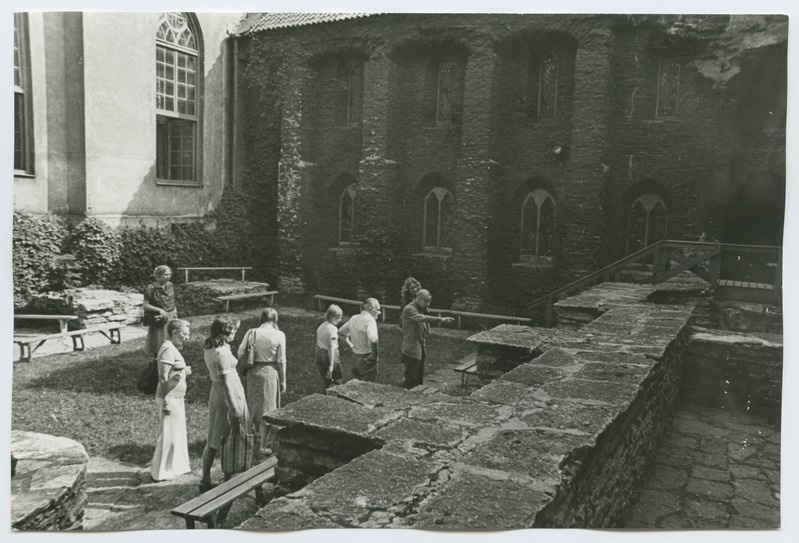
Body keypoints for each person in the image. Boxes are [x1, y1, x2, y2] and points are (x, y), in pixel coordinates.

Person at [200, 314, 250, 492]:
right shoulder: (221, 353)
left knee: (215, 436)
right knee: (227, 436)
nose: (235, 333)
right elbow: (226, 383)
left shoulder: (211, 345)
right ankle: (227, 478)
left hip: (218, 393)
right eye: (234, 330)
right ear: (224, 332)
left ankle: (206, 477)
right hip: (226, 396)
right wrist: (235, 408)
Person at [238, 308, 285, 458]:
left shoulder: (251, 332)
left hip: (253, 371)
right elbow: (281, 360)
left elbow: (240, 352)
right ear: (275, 320)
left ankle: (252, 436)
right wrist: (283, 380)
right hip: (270, 371)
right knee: (267, 408)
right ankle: (263, 445)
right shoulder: (279, 335)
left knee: (253, 404)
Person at [150, 319, 192, 481]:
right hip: (170, 397)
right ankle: (160, 472)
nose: (187, 337)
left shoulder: (172, 348)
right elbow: (163, 376)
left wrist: (184, 372)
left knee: (176, 434)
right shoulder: (168, 349)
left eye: (188, 334)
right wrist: (167, 399)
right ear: (174, 333)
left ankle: (174, 467)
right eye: (184, 334)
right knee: (169, 436)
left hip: (177, 397)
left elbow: (174, 370)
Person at [400, 289, 454, 389]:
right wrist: (441, 319)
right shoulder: (409, 309)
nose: (428, 304)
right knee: (410, 380)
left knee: (419, 379)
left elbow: (425, 326)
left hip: (419, 349)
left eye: (429, 301)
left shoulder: (419, 309)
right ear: (418, 298)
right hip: (411, 349)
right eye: (426, 301)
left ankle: (417, 398)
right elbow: (423, 318)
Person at [338, 298, 381, 382]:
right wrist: (374, 355)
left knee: (357, 386)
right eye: (378, 310)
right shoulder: (370, 321)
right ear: (370, 309)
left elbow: (340, 333)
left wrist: (351, 346)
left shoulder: (354, 318)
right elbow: (373, 340)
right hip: (366, 358)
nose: (379, 313)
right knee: (367, 388)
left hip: (355, 358)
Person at [142, 265, 177, 366]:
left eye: (170, 274)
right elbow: (145, 305)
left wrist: (175, 312)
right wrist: (160, 310)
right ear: (158, 275)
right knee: (159, 339)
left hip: (170, 314)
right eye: (165, 274)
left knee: (171, 336)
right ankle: (158, 359)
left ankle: (170, 357)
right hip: (158, 317)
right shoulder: (151, 288)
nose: (168, 276)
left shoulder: (170, 285)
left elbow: (172, 300)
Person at [315, 304, 343, 390]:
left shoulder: (322, 326)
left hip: (320, 354)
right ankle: (334, 396)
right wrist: (331, 365)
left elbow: (318, 342)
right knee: (336, 378)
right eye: (338, 318)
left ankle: (324, 393)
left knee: (325, 378)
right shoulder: (333, 329)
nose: (340, 320)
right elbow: (331, 347)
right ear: (330, 316)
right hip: (330, 356)